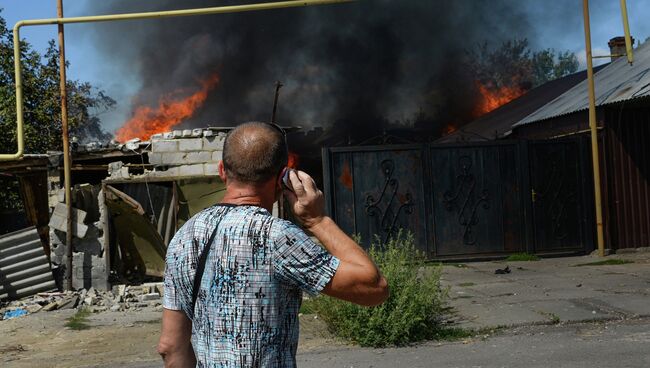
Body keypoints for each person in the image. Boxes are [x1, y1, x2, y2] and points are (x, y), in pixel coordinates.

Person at [157, 122, 389, 368]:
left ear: (222, 170)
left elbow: (170, 347)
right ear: (283, 178)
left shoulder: (184, 236)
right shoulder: (278, 238)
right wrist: (317, 220)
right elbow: (374, 288)